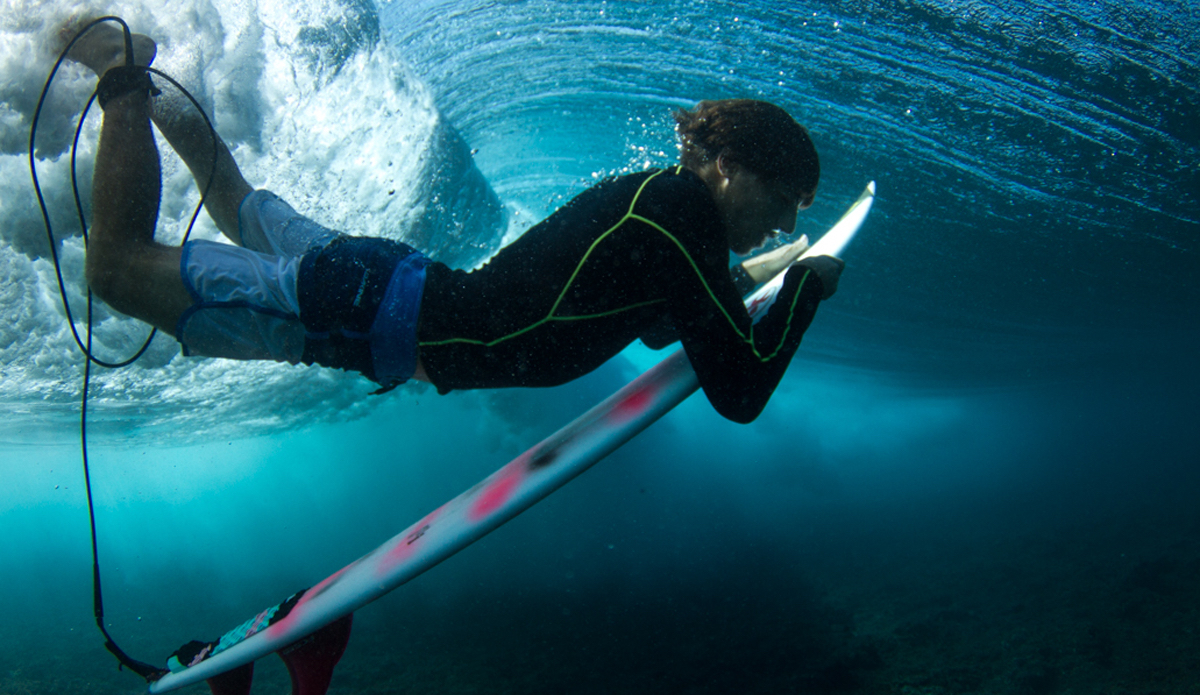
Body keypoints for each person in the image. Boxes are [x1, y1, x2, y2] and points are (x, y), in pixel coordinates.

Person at [69, 23, 844, 424]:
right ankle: (125, 77)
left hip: (381, 285)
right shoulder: (680, 215)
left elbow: (652, 325)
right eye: (781, 203)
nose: (778, 225)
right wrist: (804, 290)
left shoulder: (671, 210)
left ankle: (141, 80)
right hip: (358, 312)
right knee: (114, 269)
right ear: (733, 168)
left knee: (235, 199)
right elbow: (738, 390)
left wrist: (755, 277)